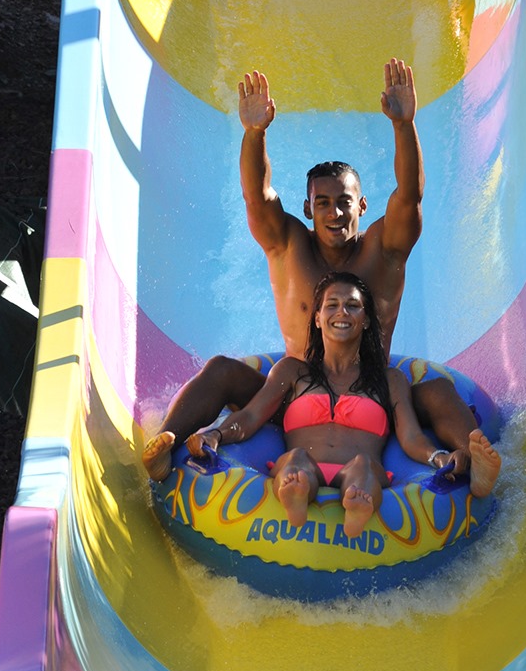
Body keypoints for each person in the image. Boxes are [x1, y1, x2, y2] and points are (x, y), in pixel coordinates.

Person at [142, 59, 501, 498]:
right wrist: (254, 134)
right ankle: (167, 444)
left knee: (440, 391)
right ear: (308, 208)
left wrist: (403, 125)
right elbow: (257, 198)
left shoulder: (384, 251)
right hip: (296, 392)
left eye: (344, 202)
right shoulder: (288, 246)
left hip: (372, 393)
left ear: (362, 206)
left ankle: (474, 462)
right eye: (324, 203)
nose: (335, 213)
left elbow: (410, 197)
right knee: (220, 370)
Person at [187, 273, 498, 538]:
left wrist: (439, 457)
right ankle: (296, 496)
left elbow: (410, 437)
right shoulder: (292, 372)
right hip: (304, 463)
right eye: (332, 305)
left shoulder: (389, 380)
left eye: (353, 305)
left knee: (363, 467)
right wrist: (216, 435)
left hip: (360, 470)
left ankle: (357, 509)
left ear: (366, 320)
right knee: (295, 460)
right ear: (318, 318)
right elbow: (251, 416)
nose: (342, 312)